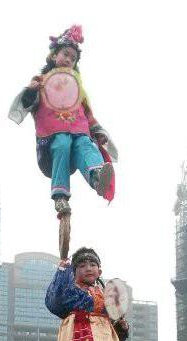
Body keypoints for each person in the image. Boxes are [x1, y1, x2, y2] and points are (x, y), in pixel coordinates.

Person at [8, 24, 117, 216]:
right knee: (62, 143)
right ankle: (60, 196)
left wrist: (98, 132)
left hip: (79, 130)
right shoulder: (42, 81)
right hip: (52, 137)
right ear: (53, 55)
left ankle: (97, 177)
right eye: (65, 54)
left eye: (73, 59)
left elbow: (87, 113)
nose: (68, 60)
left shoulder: (78, 88)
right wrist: (32, 89)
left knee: (86, 144)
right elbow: (27, 104)